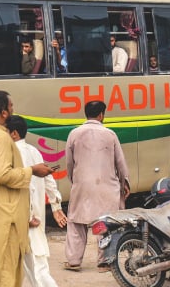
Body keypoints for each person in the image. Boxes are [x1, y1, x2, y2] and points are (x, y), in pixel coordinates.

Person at [0, 90, 57, 287]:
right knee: (5, 277)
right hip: (3, 223)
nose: (13, 110)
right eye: (11, 106)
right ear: (3, 112)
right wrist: (32, 170)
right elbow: (2, 174)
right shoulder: (0, 138)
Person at [64, 101, 129, 272]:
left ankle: (73, 261)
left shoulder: (74, 134)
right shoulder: (110, 134)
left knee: (76, 223)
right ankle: (104, 262)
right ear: (101, 115)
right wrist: (124, 183)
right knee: (104, 224)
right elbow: (120, 163)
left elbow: (69, 163)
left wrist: (76, 181)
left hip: (81, 185)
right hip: (106, 186)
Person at [7, 116, 67, 287]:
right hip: (32, 216)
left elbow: (27, 189)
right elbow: (48, 180)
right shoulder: (34, 151)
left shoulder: (14, 154)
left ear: (14, 133)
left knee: (38, 268)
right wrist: (56, 206)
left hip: (29, 219)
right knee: (31, 267)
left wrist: (29, 216)